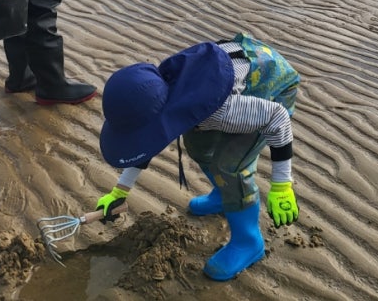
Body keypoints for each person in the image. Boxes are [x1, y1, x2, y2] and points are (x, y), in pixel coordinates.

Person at [94, 34, 300, 281]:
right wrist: (119, 192)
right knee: (199, 145)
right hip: (228, 80)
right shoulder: (158, 92)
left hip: (271, 87)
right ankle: (226, 197)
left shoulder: (219, 111)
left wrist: (281, 184)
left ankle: (248, 242)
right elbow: (145, 144)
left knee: (230, 168)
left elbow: (277, 119)